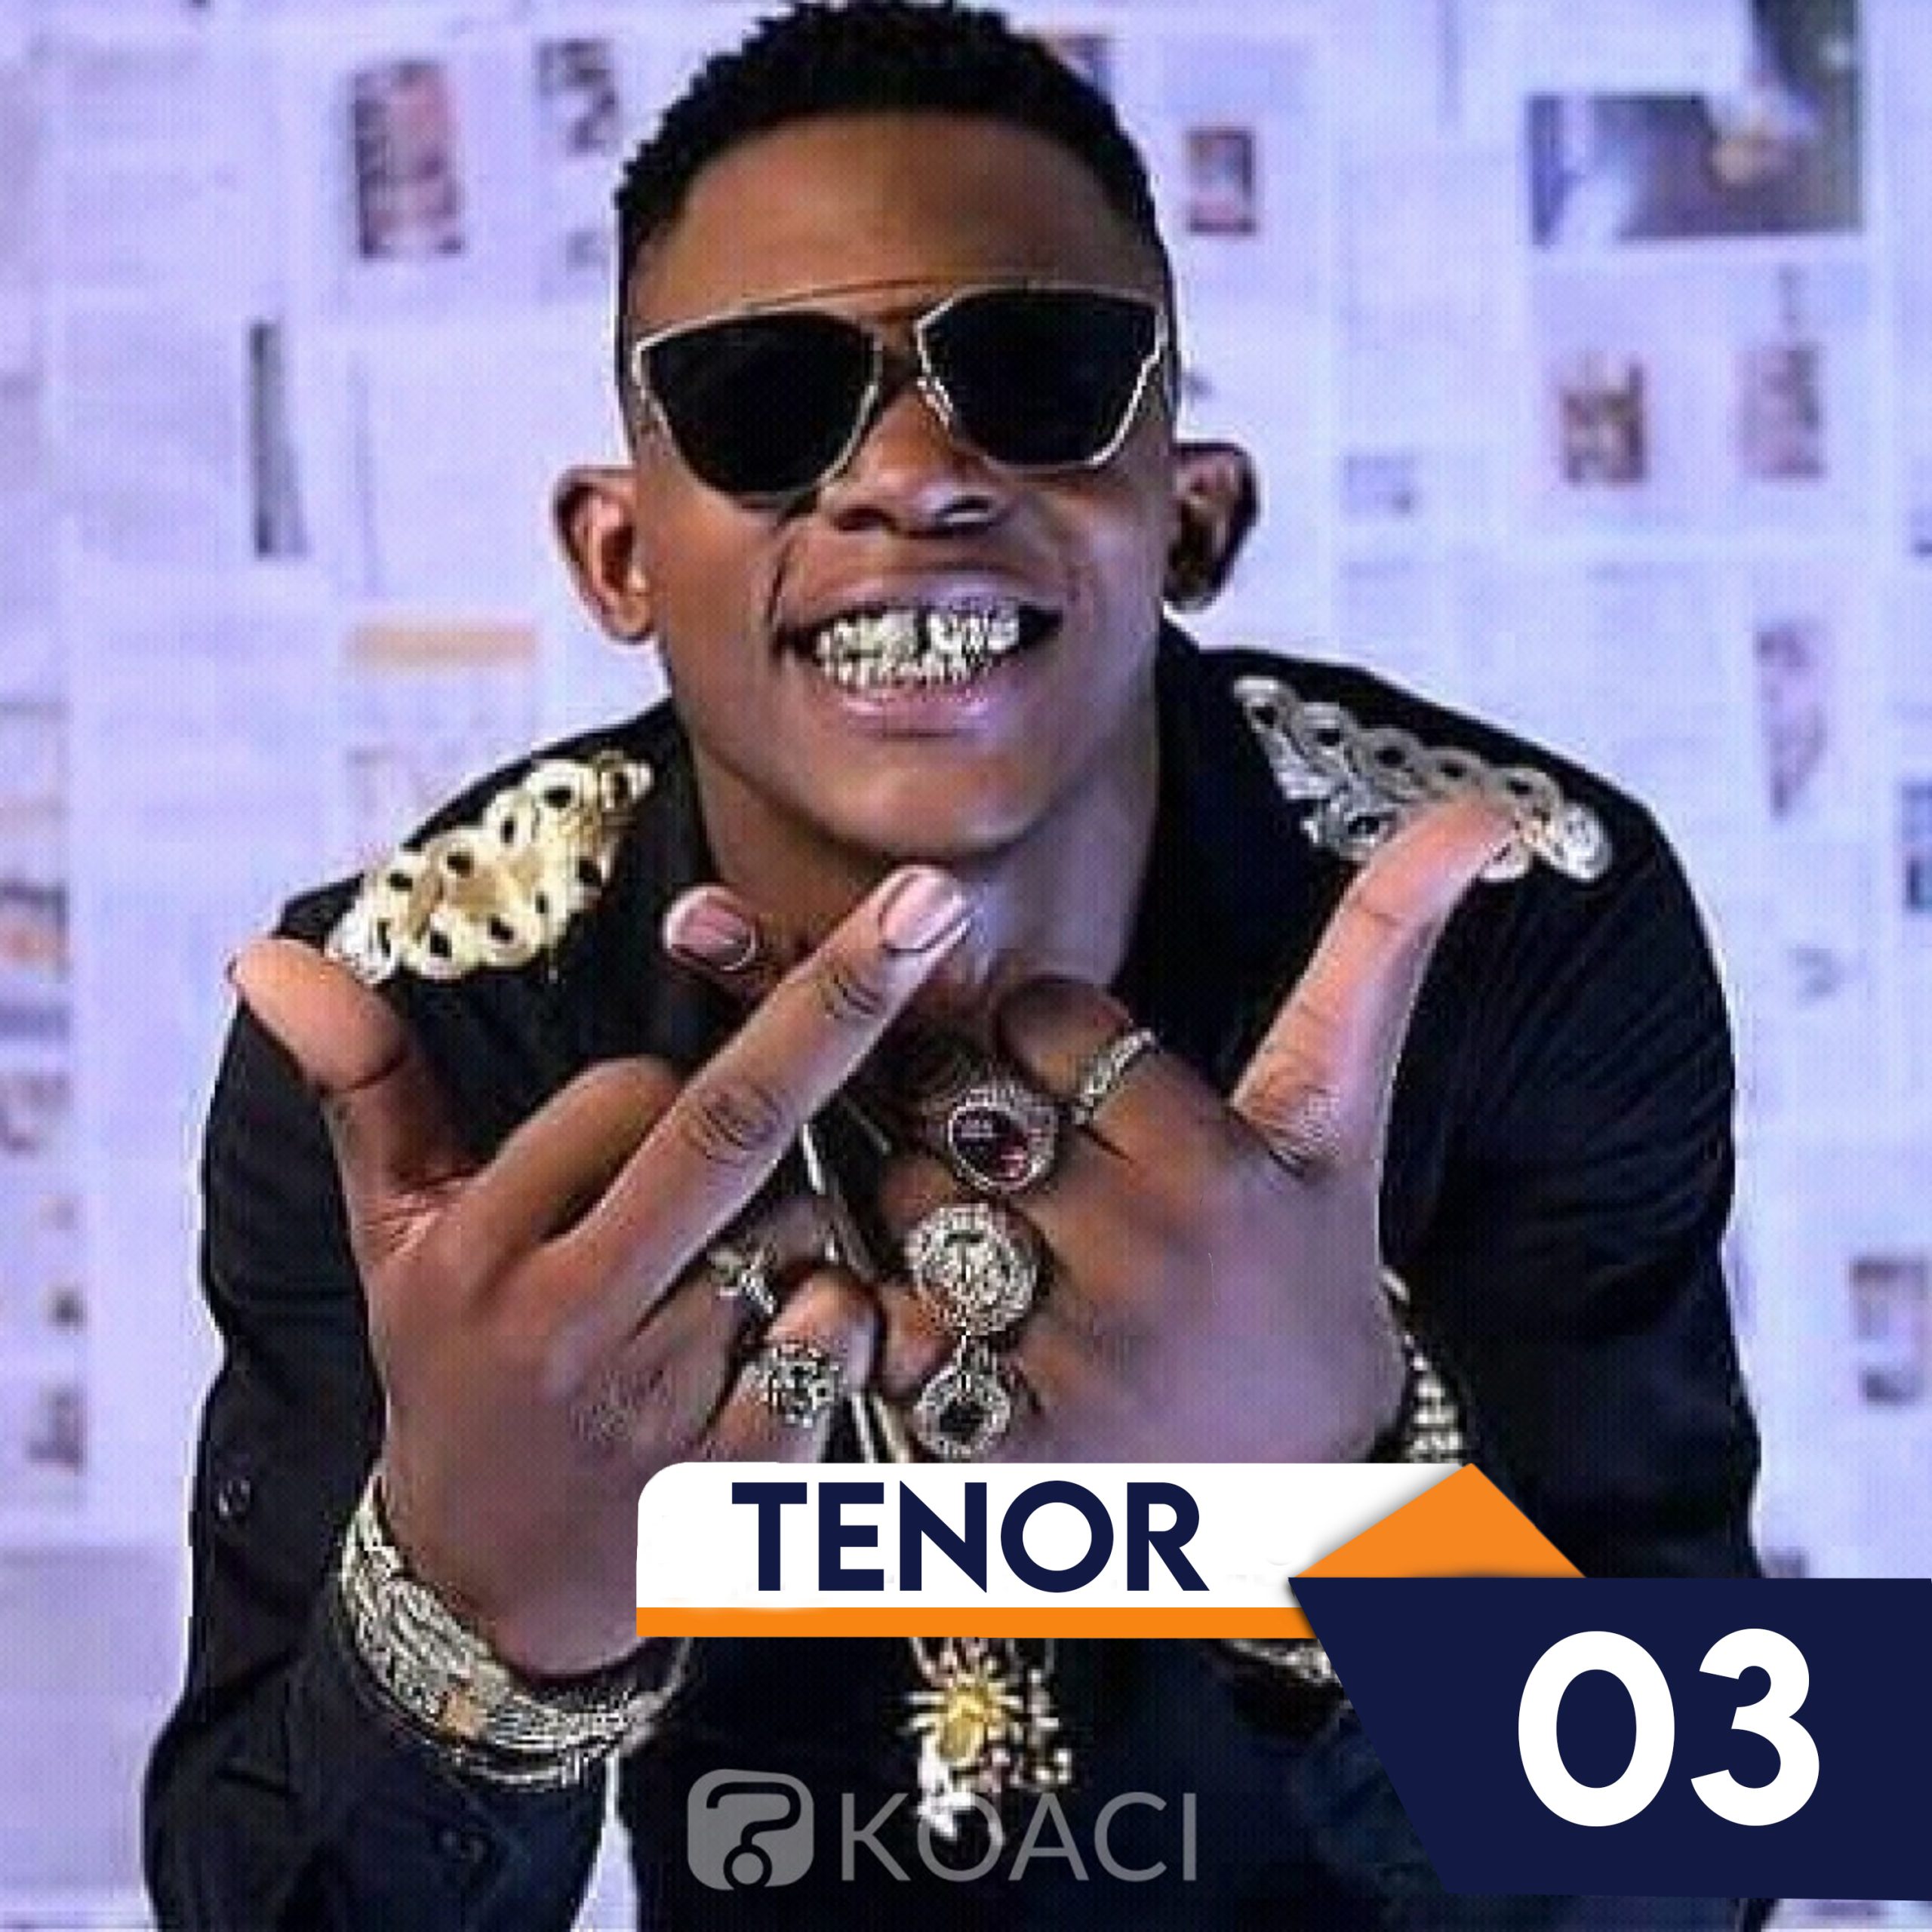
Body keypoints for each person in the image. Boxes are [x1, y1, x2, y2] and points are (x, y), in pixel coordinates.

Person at [143, 4, 1763, 1926]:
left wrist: (1347, 1516)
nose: (911, 474)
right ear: (618, 555)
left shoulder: (1517, 923)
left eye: (1038, 376)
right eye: (761, 397)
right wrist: (466, 1643)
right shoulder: (427, 1024)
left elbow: (1709, 1857)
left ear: (1193, 510)